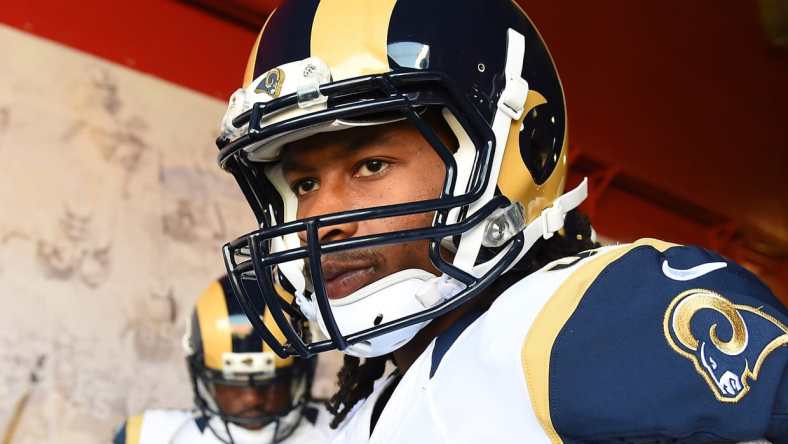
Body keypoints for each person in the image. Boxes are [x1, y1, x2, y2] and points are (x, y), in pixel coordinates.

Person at [213, 0, 788, 442]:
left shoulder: (586, 317)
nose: (321, 217)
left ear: (517, 156)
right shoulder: (369, 400)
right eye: (304, 183)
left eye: (370, 164)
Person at [113, 275, 330, 444]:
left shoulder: (346, 431)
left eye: (270, 384)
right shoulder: (147, 436)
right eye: (233, 384)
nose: (252, 399)